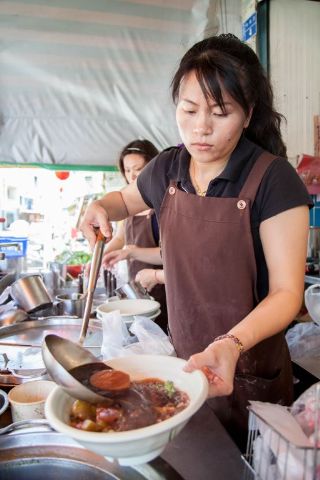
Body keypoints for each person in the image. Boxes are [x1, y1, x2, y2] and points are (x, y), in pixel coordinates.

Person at [80, 34, 311, 450]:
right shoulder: (168, 167)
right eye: (188, 110)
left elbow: (287, 293)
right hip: (184, 367)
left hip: (247, 370)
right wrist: (99, 206)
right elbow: (124, 201)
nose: (201, 127)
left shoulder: (273, 180)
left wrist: (230, 343)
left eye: (220, 112)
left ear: (247, 114)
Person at [102, 139, 168, 332]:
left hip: (164, 285)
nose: (132, 175)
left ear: (152, 167)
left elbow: (169, 253)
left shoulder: (163, 203)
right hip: (137, 286)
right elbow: (121, 238)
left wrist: (132, 252)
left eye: (138, 168)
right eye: (127, 170)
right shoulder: (127, 204)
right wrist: (98, 259)